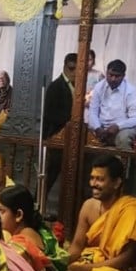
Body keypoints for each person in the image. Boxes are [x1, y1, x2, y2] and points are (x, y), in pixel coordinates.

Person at [43, 53, 78, 196]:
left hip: (70, 138)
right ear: (65, 67)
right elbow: (49, 113)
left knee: (70, 176)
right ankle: (37, 204)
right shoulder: (55, 86)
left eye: (77, 69)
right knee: (50, 175)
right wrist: (69, 120)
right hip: (56, 136)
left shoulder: (77, 86)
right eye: (71, 68)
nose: (74, 72)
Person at [87, 59, 136, 150]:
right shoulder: (99, 87)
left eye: (117, 76)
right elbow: (93, 112)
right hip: (101, 128)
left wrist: (118, 126)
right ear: (106, 72)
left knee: (124, 138)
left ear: (123, 76)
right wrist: (97, 128)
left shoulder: (130, 90)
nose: (113, 79)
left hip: (122, 129)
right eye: (110, 75)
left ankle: (124, 164)